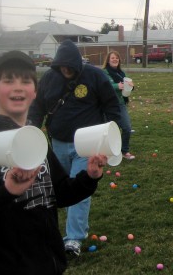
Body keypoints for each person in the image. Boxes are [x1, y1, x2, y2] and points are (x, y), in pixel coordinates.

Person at [0, 51, 107, 275]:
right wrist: (7, 191)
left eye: (25, 81)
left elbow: (59, 193)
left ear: (35, 92)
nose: (18, 87)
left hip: (48, 264)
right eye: (8, 80)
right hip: (2, 266)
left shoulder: (36, 138)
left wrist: (89, 177)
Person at [27, 40, 121, 257]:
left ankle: (73, 239)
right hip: (57, 143)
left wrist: (114, 138)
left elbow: (111, 105)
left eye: (69, 66)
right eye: (62, 66)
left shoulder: (95, 76)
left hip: (88, 145)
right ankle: (52, 233)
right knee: (59, 189)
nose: (65, 70)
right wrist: (31, 127)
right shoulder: (50, 79)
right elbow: (38, 107)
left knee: (80, 190)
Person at [102, 50, 135, 160]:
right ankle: (108, 152)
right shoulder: (104, 72)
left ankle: (124, 150)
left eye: (117, 58)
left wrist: (131, 86)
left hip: (120, 104)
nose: (115, 59)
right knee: (109, 130)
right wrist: (117, 86)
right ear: (108, 60)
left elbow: (128, 85)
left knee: (126, 127)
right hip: (107, 105)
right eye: (112, 58)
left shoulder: (122, 73)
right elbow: (104, 86)